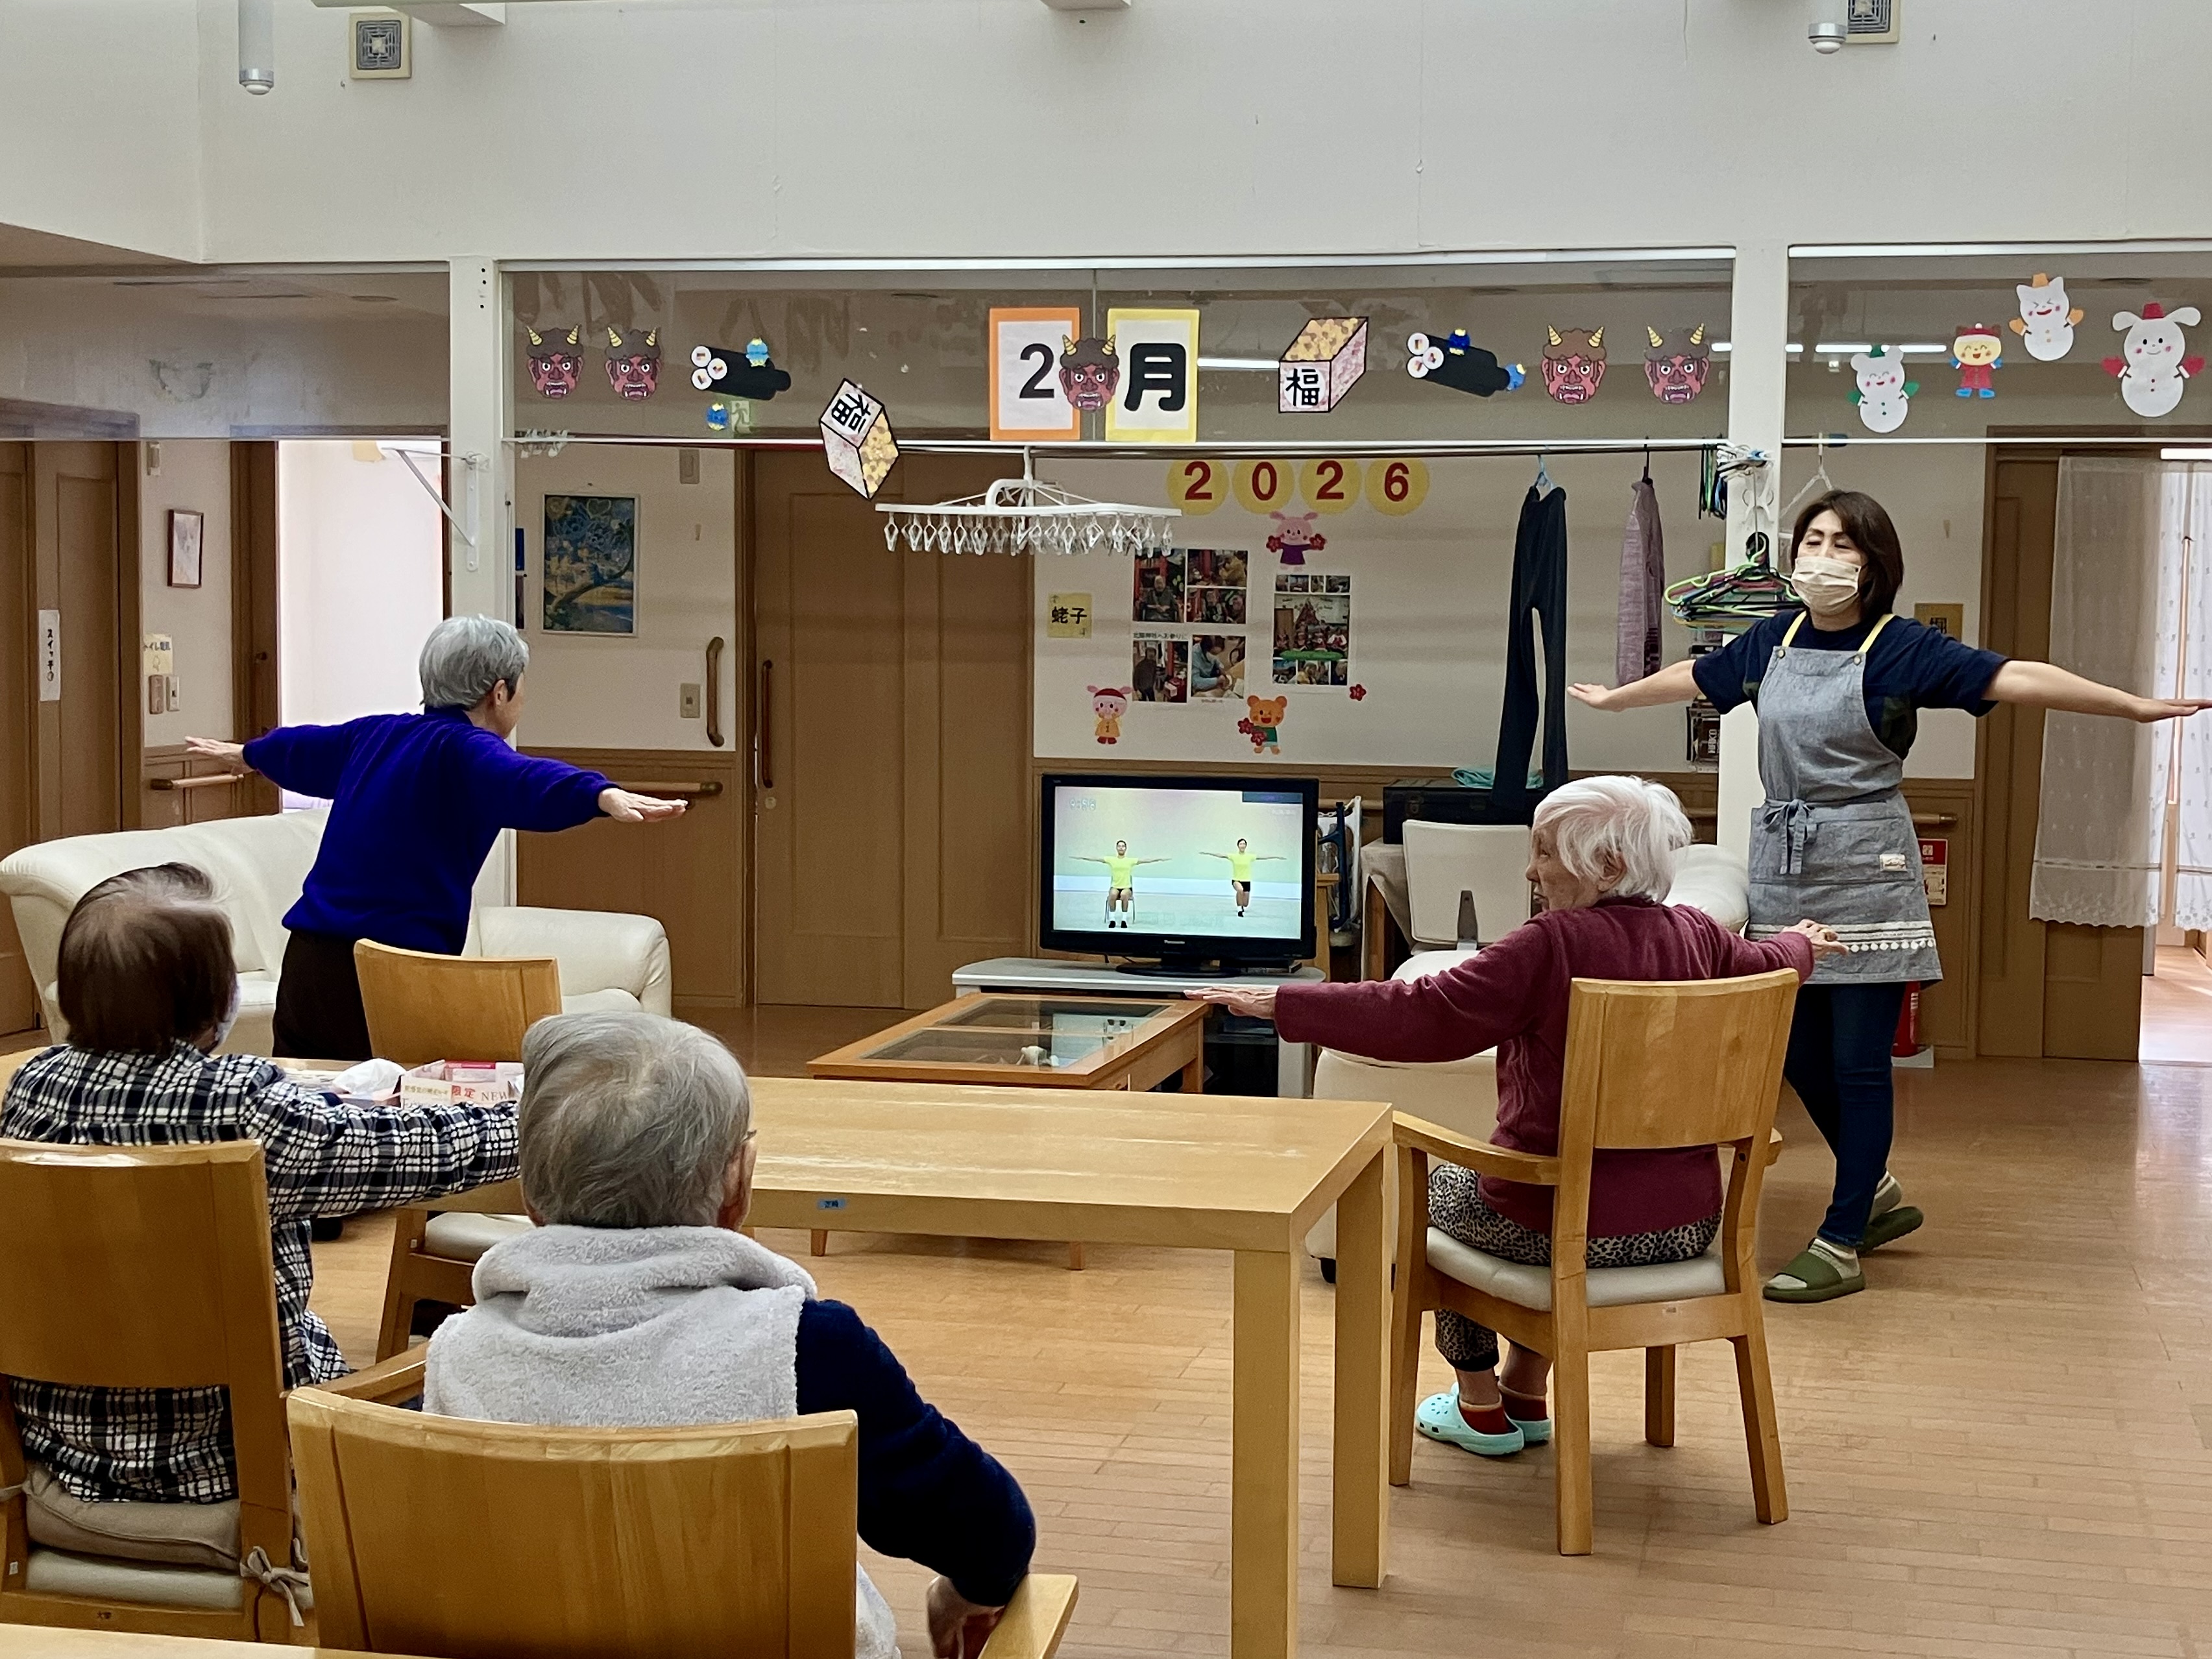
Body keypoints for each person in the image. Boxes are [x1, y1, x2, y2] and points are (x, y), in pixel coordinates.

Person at [1570, 490, 2212, 1304]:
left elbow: (2014, 676)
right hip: (1784, 864)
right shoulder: (1772, 639)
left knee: (1858, 1062)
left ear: (1873, 564)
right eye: (1812, 539)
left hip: (1868, 866)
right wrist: (1617, 698)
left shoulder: (1900, 647)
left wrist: (2129, 706)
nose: (1822, 556)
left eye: (1843, 543)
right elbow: (1695, 675)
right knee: (1791, 1050)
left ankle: (1841, 1238)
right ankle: (1869, 1188)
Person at [1191, 777, 1840, 1457]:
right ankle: (1525, 1388)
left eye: (1545, 852)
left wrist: (1286, 1002)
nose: (1530, 870)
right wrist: (1801, 943)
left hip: (1560, 1227)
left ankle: (1478, 1404)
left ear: (1607, 864)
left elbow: (1424, 1013)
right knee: (1538, 1196)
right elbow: (1770, 963)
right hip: (1687, 1226)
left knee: (1442, 1195)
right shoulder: (1699, 935)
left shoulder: (1550, 945)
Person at [423, 1011, 1036, 1659]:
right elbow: (991, 1536)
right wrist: (962, 1592)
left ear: (530, 1196)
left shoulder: (458, 1354)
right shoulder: (807, 1349)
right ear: (737, 1187)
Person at [0, 864, 518, 1504]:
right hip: (236, 1462)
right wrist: (538, 1117)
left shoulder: (33, 1086)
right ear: (216, 1004)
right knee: (463, 1383)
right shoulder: (240, 1103)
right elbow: (419, 1153)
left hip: (63, 1455)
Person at [187, 616, 686, 1063]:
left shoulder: (375, 735)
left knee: (303, 1101)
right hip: (392, 969)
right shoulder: (468, 750)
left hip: (310, 960)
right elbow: (522, 780)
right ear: (499, 692)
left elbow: (303, 748)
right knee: (397, 1110)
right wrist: (599, 794)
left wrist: (249, 754)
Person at [1073, 839, 1167, 929]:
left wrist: (1159, 859)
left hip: (1127, 887)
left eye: (1123, 846)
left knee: (1124, 895)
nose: (1121, 848)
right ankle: (1112, 920)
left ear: (1126, 849)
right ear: (1117, 848)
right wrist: (1081, 857)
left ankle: (1124, 920)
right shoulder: (1111, 860)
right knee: (1113, 894)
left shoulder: (1130, 861)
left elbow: (1145, 860)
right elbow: (1096, 859)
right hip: (1115, 886)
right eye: (1119, 846)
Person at [1198, 837, 1284, 917]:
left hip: (1246, 881)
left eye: (1244, 844)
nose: (1242, 845)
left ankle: (1242, 906)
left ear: (1246, 846)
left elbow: (1263, 857)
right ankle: (1239, 909)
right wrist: (1207, 853)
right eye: (1241, 844)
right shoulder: (1234, 856)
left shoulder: (1250, 856)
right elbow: (1221, 855)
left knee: (1245, 904)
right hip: (1236, 880)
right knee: (1240, 890)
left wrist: (1276, 856)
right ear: (1238, 846)